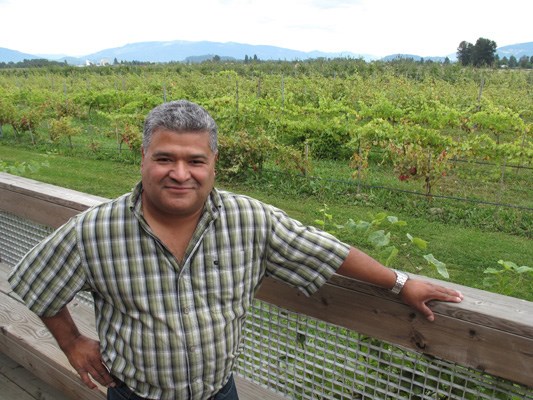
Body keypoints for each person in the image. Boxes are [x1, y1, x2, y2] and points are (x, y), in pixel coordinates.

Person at [9, 100, 463, 400]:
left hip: (218, 393)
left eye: (195, 161)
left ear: (213, 165)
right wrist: (71, 341)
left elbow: (326, 251)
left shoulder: (251, 220)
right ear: (143, 159)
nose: (180, 173)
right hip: (133, 393)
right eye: (165, 158)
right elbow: (37, 282)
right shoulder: (93, 229)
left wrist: (399, 282)